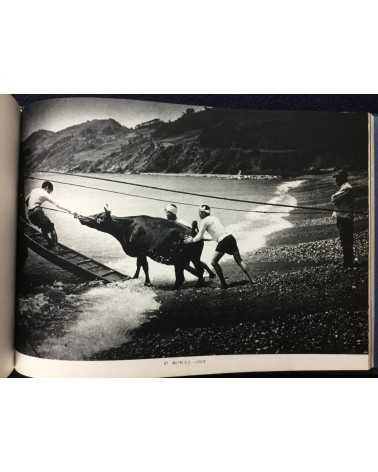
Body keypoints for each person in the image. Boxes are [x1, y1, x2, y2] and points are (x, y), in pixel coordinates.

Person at [184, 204, 253, 289]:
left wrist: (190, 241)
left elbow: (199, 237)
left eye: (200, 212)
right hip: (230, 237)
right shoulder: (214, 218)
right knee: (239, 261)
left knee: (213, 262)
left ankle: (223, 284)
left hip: (223, 241)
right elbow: (214, 236)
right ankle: (252, 280)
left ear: (203, 213)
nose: (199, 214)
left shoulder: (204, 221)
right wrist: (199, 237)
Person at [164, 203, 215, 279]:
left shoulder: (180, 222)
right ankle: (208, 273)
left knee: (191, 262)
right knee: (193, 261)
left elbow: (193, 232)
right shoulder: (169, 221)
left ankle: (203, 275)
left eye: (167, 213)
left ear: (171, 213)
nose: (166, 215)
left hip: (193, 243)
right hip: (187, 244)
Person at [26, 181, 77, 249]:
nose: (49, 193)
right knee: (51, 228)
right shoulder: (44, 193)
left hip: (30, 214)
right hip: (37, 212)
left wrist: (32, 206)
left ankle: (49, 243)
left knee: (43, 228)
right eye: (50, 191)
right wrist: (72, 212)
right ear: (47, 187)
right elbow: (58, 205)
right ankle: (56, 247)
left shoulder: (34, 190)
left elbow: (26, 199)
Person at [331, 170, 355, 268]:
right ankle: (347, 261)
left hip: (345, 218)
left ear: (342, 178)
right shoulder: (343, 188)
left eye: (337, 178)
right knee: (344, 240)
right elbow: (335, 199)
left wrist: (333, 197)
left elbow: (334, 198)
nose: (336, 180)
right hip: (342, 217)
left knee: (346, 240)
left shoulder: (347, 188)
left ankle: (348, 262)